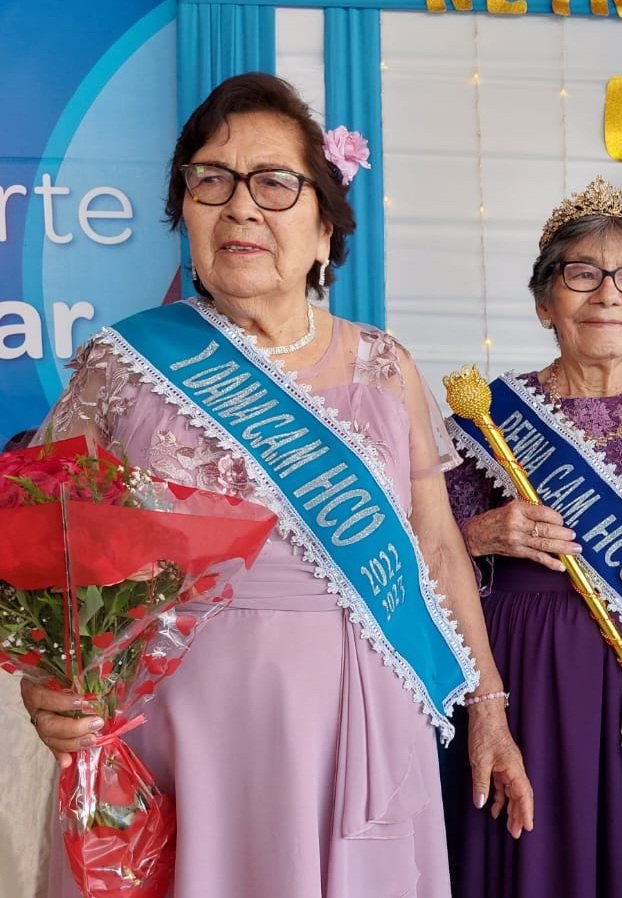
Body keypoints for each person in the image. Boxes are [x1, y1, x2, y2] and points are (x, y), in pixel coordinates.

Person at [20, 72, 532, 898]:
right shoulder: (123, 366)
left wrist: (490, 711)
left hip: (354, 719)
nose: (240, 207)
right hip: (176, 722)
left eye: (275, 183)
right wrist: (45, 678)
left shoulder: (384, 365)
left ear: (326, 228)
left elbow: (435, 550)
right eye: (210, 181)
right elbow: (47, 549)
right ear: (184, 215)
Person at [441, 177, 622, 898]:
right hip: (528, 675)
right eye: (582, 273)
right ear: (547, 301)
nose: (609, 292)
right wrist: (480, 532)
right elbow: (429, 546)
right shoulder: (491, 415)